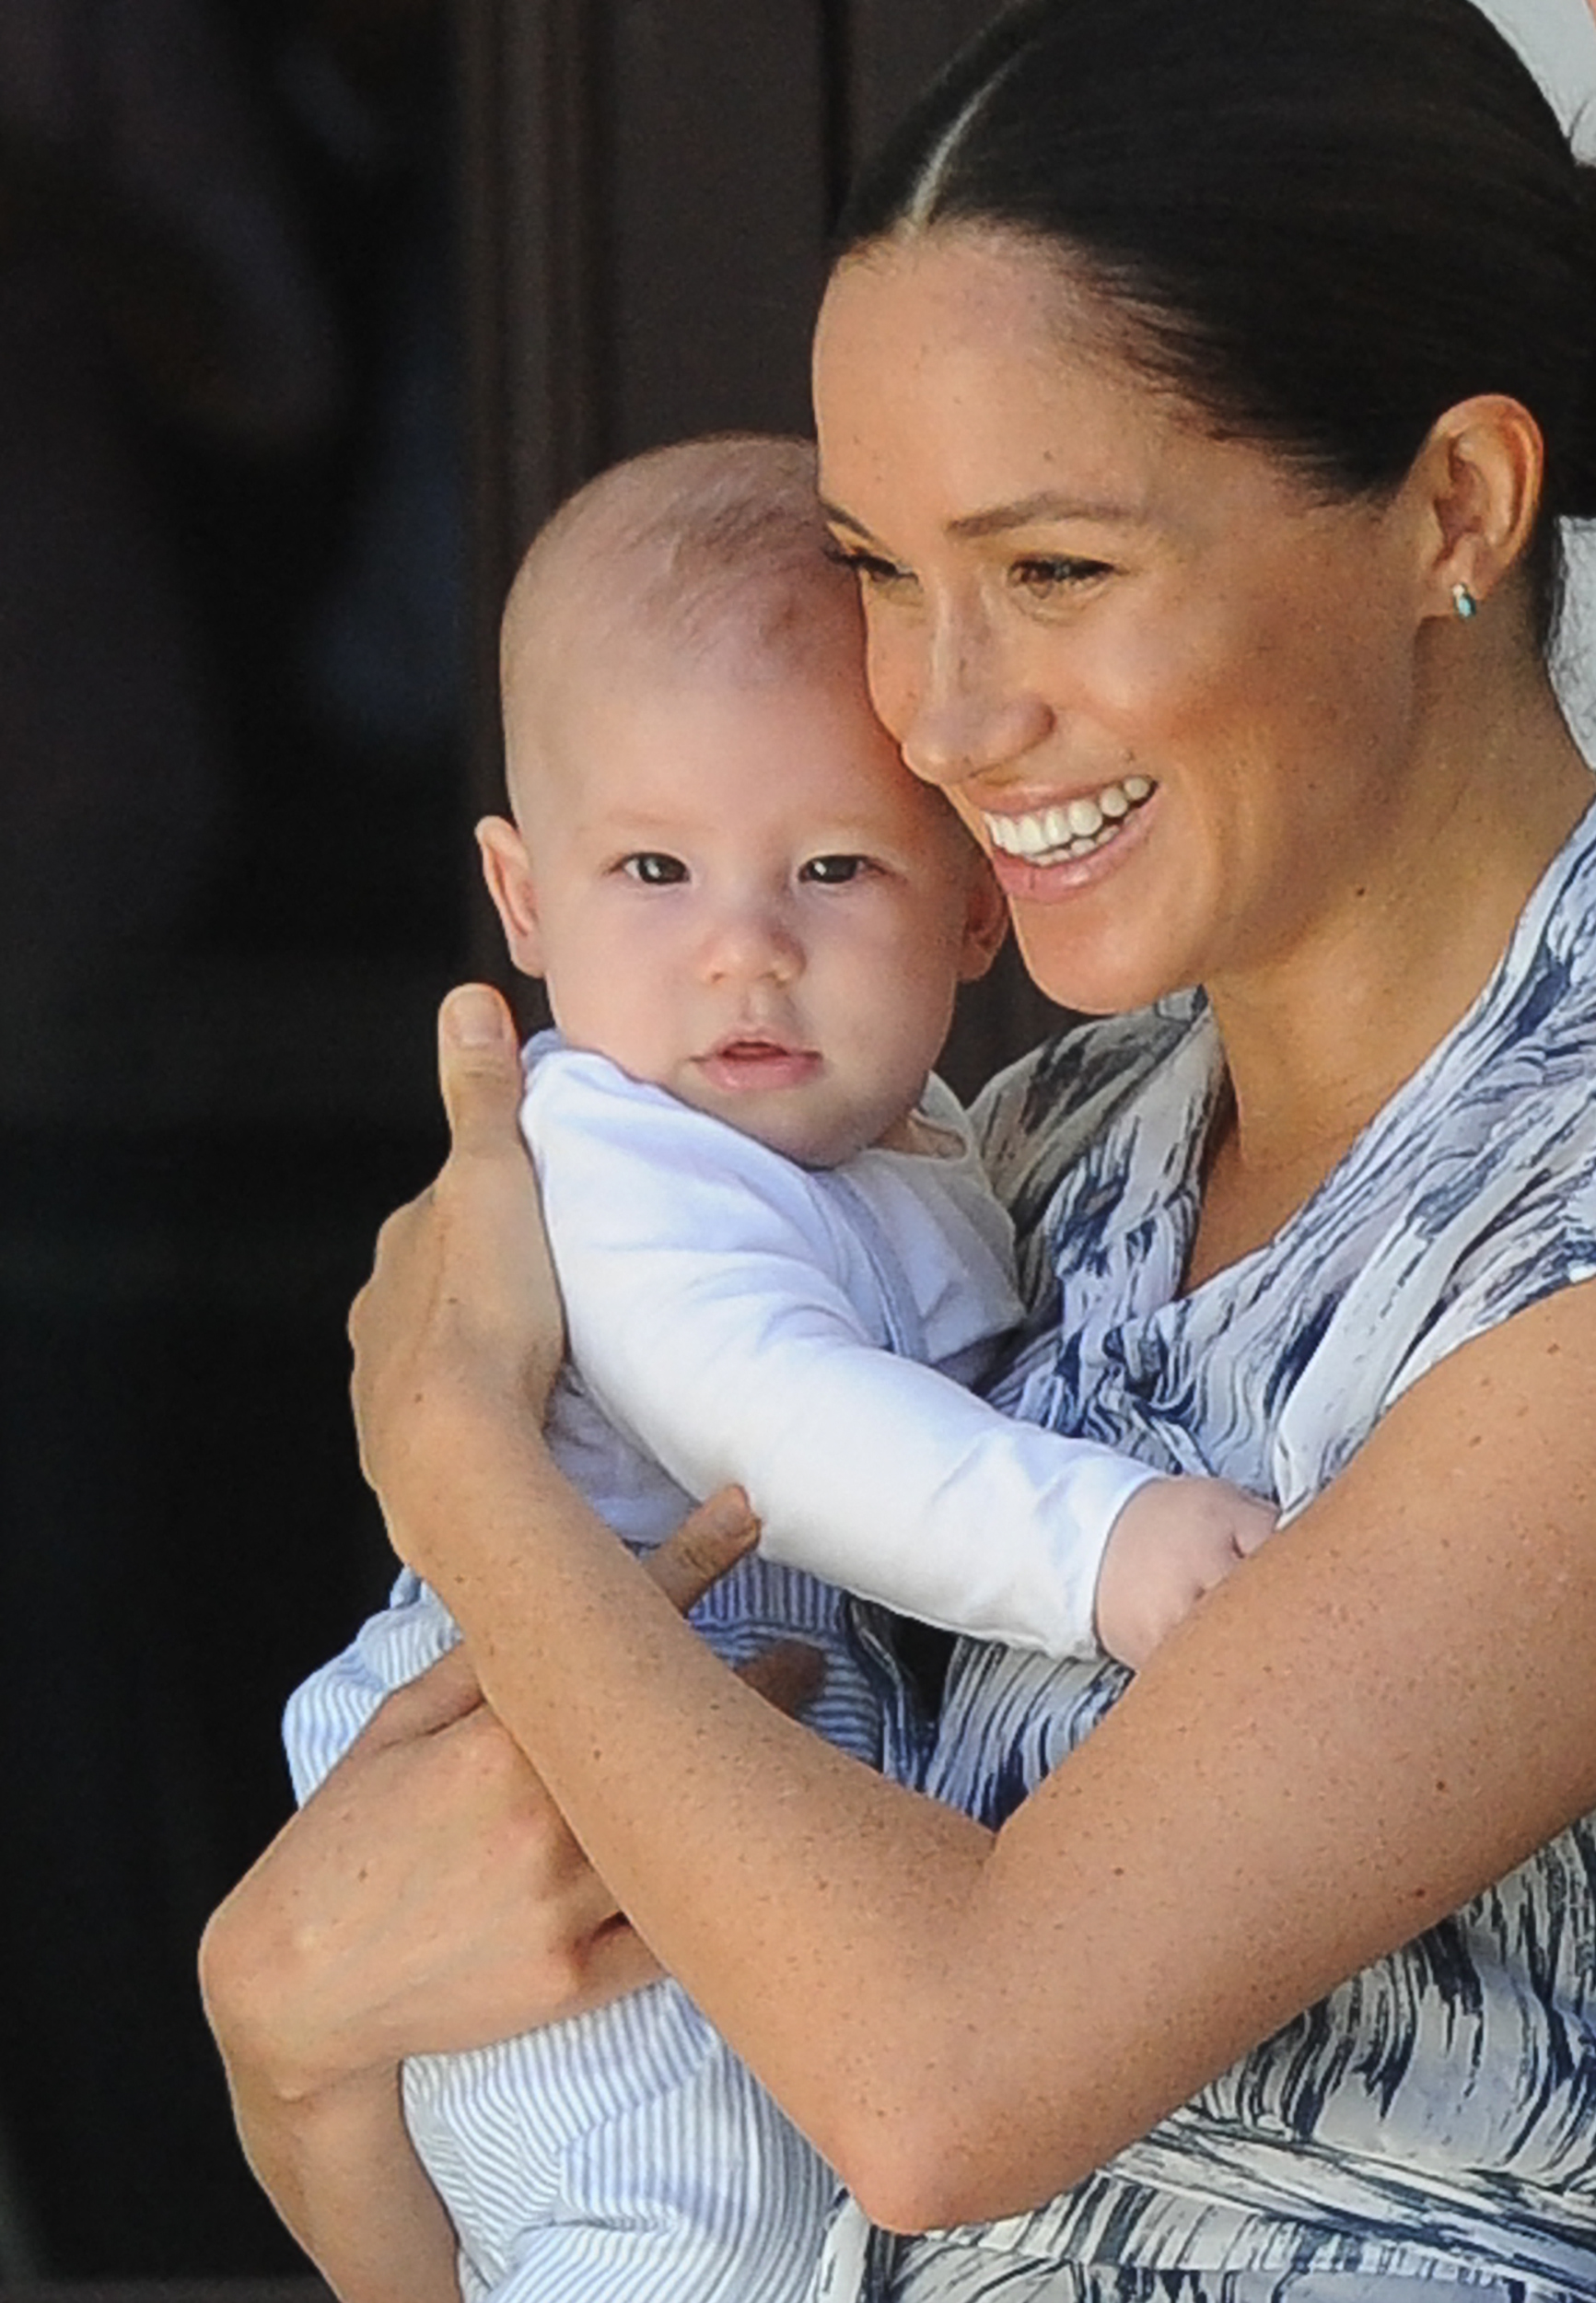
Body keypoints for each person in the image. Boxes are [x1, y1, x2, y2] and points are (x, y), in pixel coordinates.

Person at [201, 0, 1596, 2297]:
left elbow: (941, 2080)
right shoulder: (1027, 1156)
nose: (936, 717)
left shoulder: (1545, 1231)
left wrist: (455, 1458)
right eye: (876, 564)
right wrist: (291, 2045)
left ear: (1453, 505)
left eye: (1053, 572)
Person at [282, 431, 1272, 2303]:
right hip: (535, 1793)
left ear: (973, 905)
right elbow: (792, 1432)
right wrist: (1105, 1545)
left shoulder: (938, 1151)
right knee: (689, 2225)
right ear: (524, 900)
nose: (742, 950)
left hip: (725, 1755)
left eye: (829, 866)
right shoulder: (616, 1163)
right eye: (651, 866)